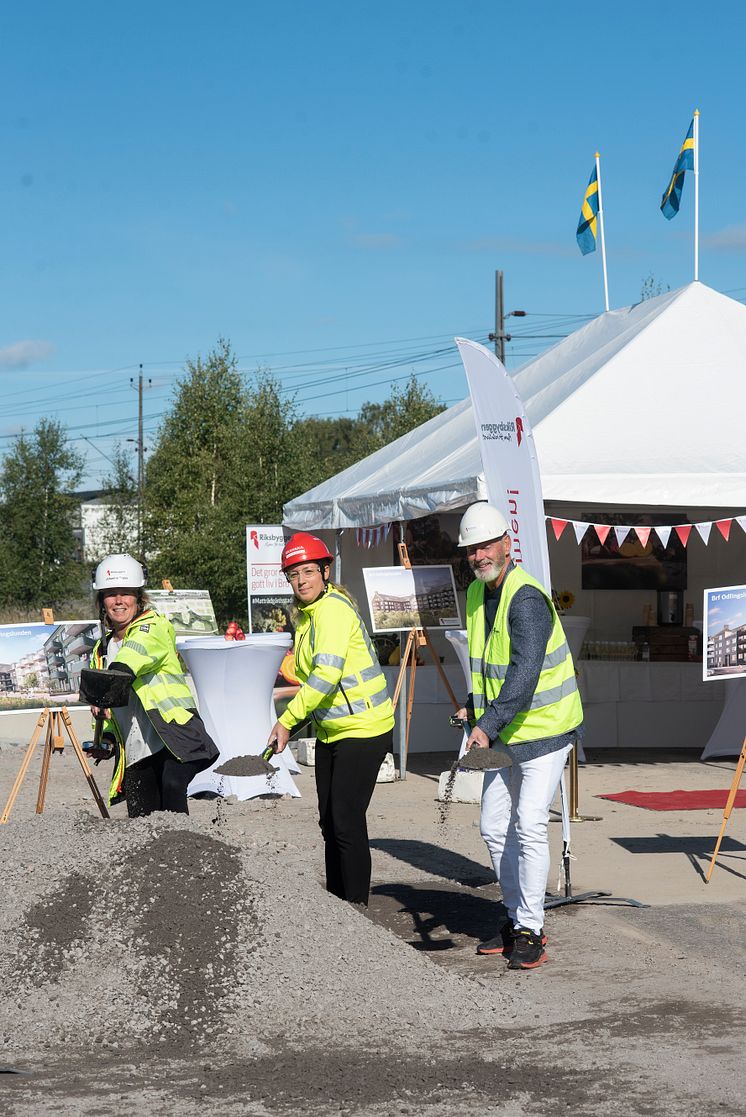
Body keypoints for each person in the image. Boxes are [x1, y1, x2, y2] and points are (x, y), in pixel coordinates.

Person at [456, 502, 583, 970]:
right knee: (493, 826)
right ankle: (514, 918)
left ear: (507, 545)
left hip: (545, 729)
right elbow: (486, 662)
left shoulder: (526, 598)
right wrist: (473, 706)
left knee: (529, 824)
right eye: (472, 548)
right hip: (505, 731)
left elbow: (525, 673)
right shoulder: (475, 594)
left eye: (487, 545)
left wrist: (486, 727)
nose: (479, 554)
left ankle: (532, 929)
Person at [267, 532, 395, 906]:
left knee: (346, 820)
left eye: (308, 571)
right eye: (293, 575)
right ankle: (338, 907)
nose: (301, 580)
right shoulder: (307, 617)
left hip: (365, 729)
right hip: (332, 731)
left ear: (325, 571)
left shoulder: (333, 610)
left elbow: (325, 676)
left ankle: (355, 908)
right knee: (329, 822)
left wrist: (287, 721)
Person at [89, 553, 218, 817]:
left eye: (126, 593)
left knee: (172, 786)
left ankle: (188, 854)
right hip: (137, 749)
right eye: (111, 594)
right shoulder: (100, 651)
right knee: (142, 825)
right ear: (102, 600)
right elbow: (110, 712)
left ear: (139, 596)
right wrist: (108, 738)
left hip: (173, 735)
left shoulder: (153, 626)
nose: (119, 601)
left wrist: (104, 690)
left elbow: (131, 658)